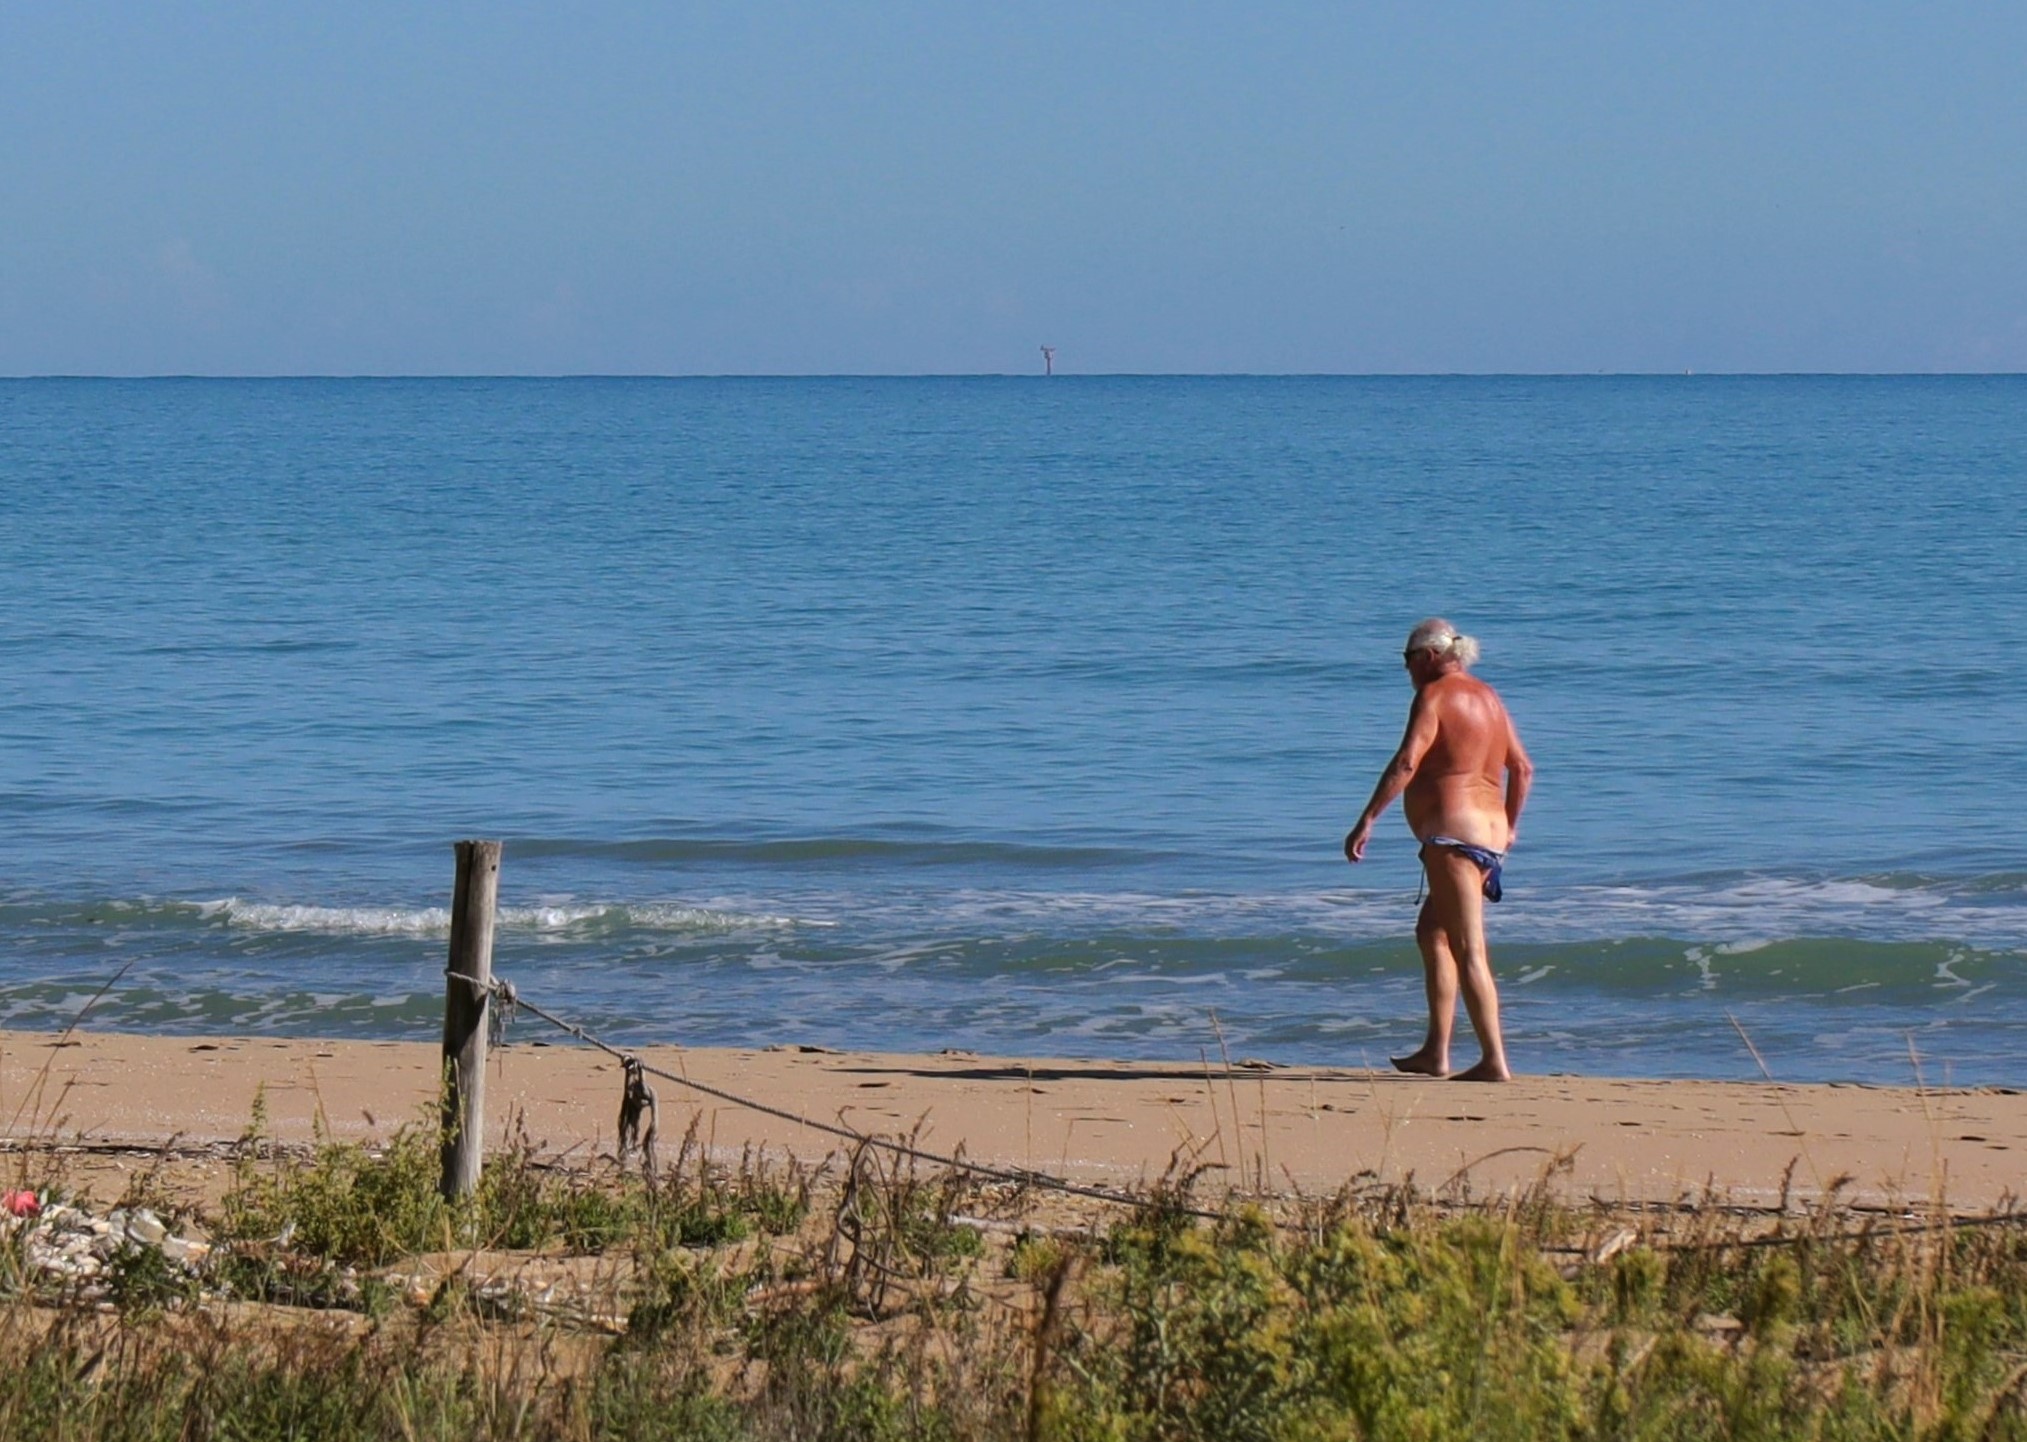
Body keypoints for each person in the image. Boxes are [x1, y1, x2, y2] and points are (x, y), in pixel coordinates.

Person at [1344, 619, 1533, 1081]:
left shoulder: (1433, 696)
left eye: (1407, 659)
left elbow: (1408, 761)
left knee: (1470, 950)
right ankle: (1436, 1051)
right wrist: (1509, 827)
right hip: (1488, 835)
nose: (1406, 669)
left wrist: (1367, 819)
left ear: (1428, 657)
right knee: (1432, 931)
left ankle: (1494, 1061)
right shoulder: (1490, 697)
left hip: (1453, 839)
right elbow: (1522, 769)